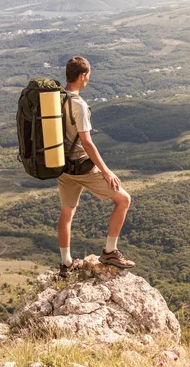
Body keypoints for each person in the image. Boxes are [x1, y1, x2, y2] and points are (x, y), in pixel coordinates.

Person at [56, 56, 135, 278]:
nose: (88, 79)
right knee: (123, 199)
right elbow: (87, 143)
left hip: (62, 167)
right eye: (88, 75)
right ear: (82, 76)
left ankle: (65, 263)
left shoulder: (56, 99)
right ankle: (109, 251)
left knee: (67, 212)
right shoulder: (78, 104)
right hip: (82, 167)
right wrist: (105, 171)